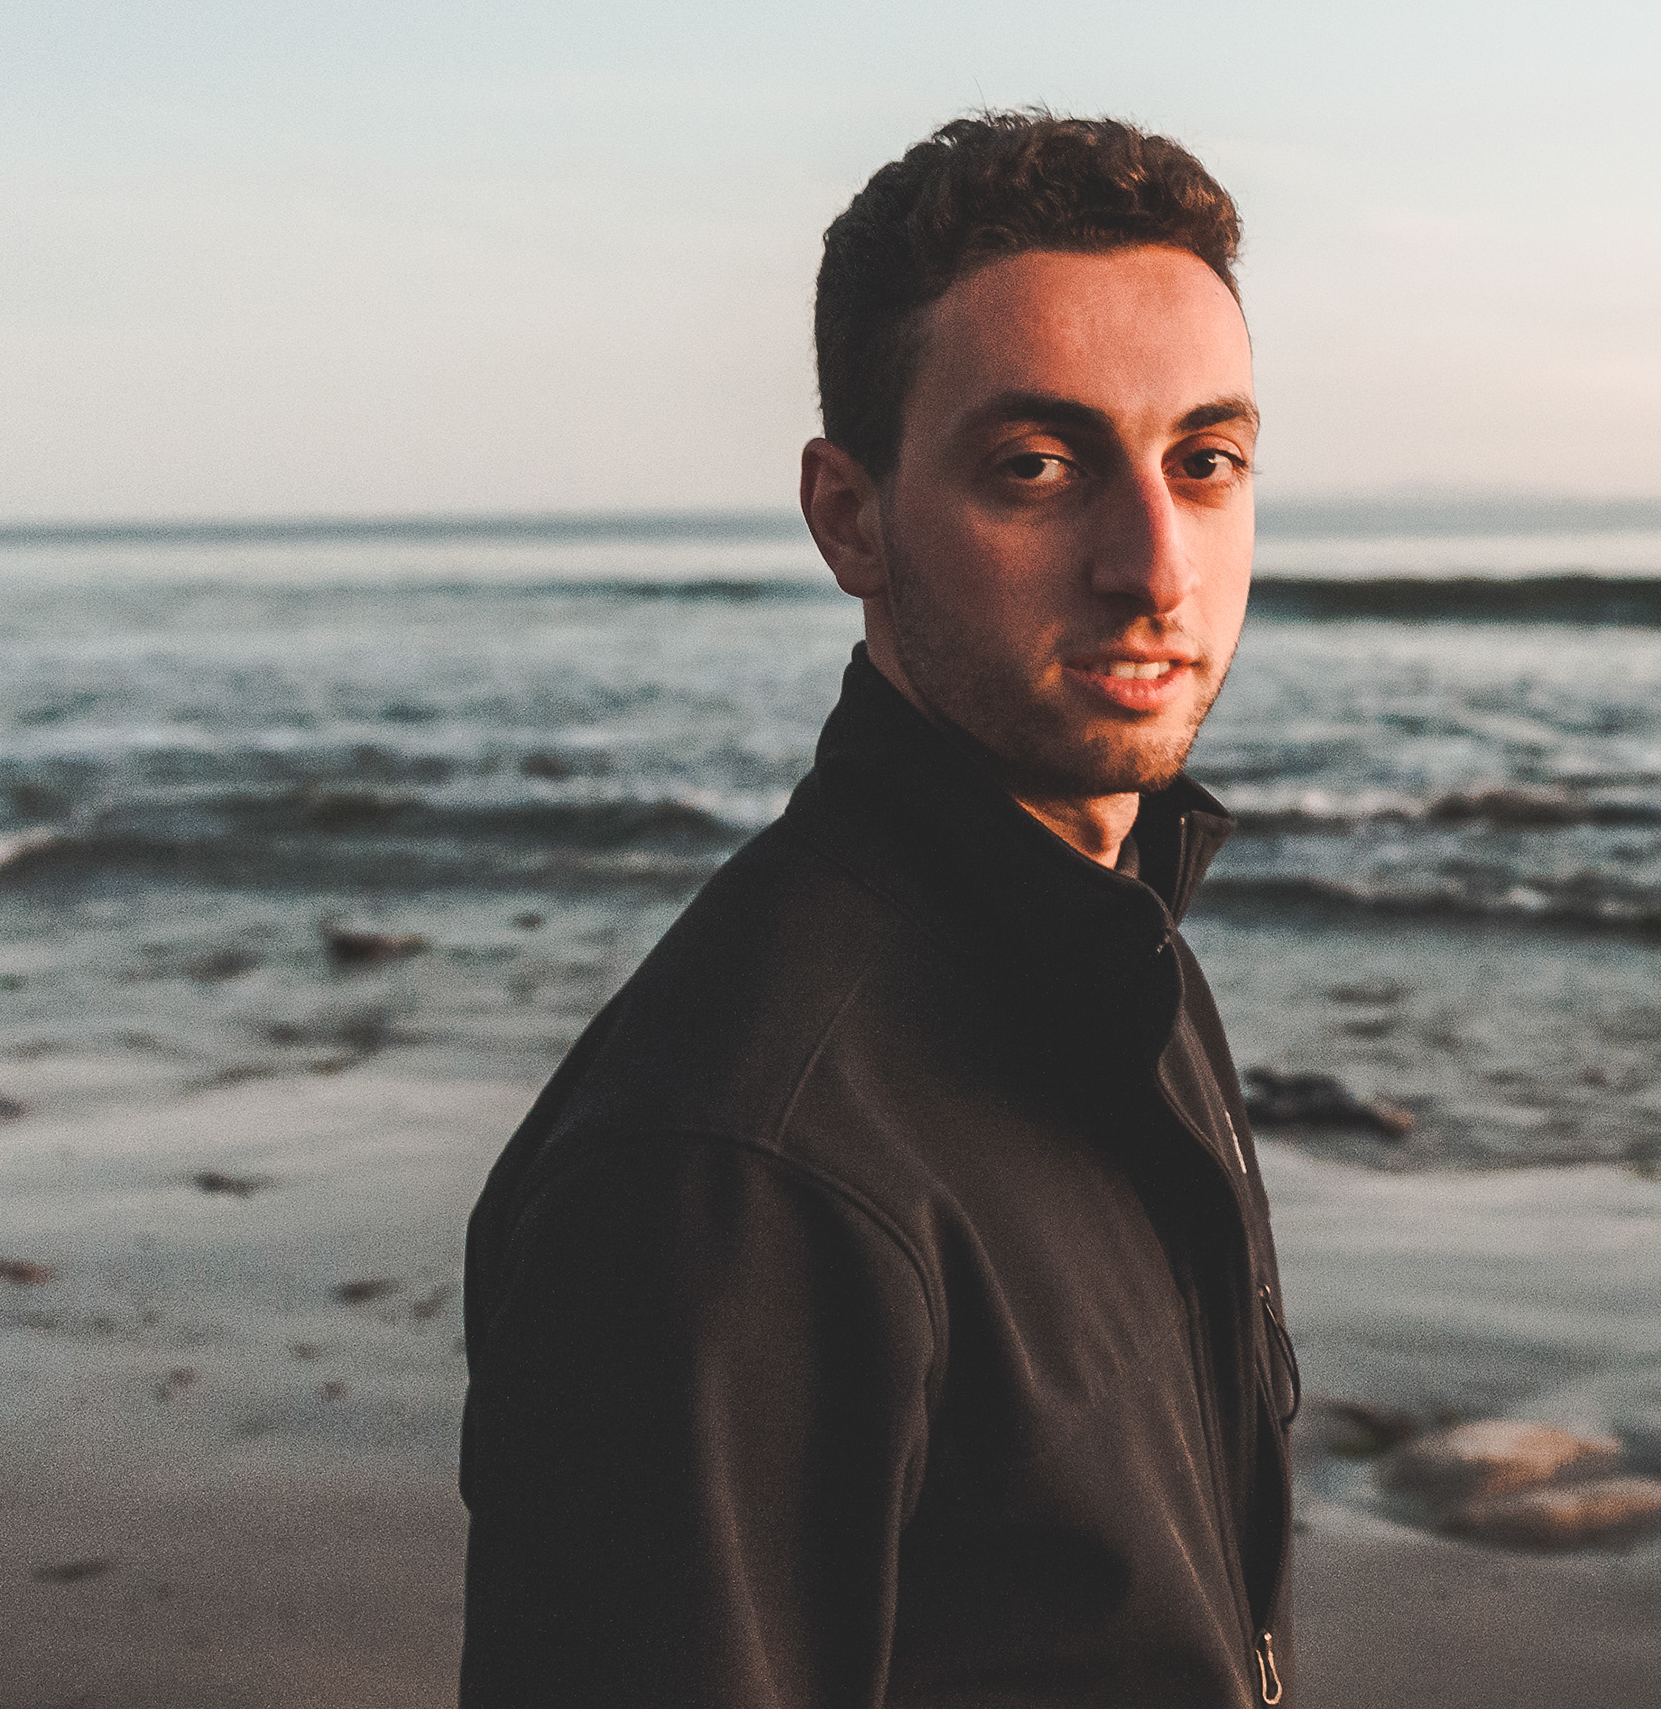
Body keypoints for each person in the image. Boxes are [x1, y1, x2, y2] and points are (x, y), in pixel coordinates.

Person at [458, 112, 1294, 1707]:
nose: (1154, 566)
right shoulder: (735, 1168)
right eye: (1038, 468)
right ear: (850, 517)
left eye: (1206, 463)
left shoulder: (1129, 960)